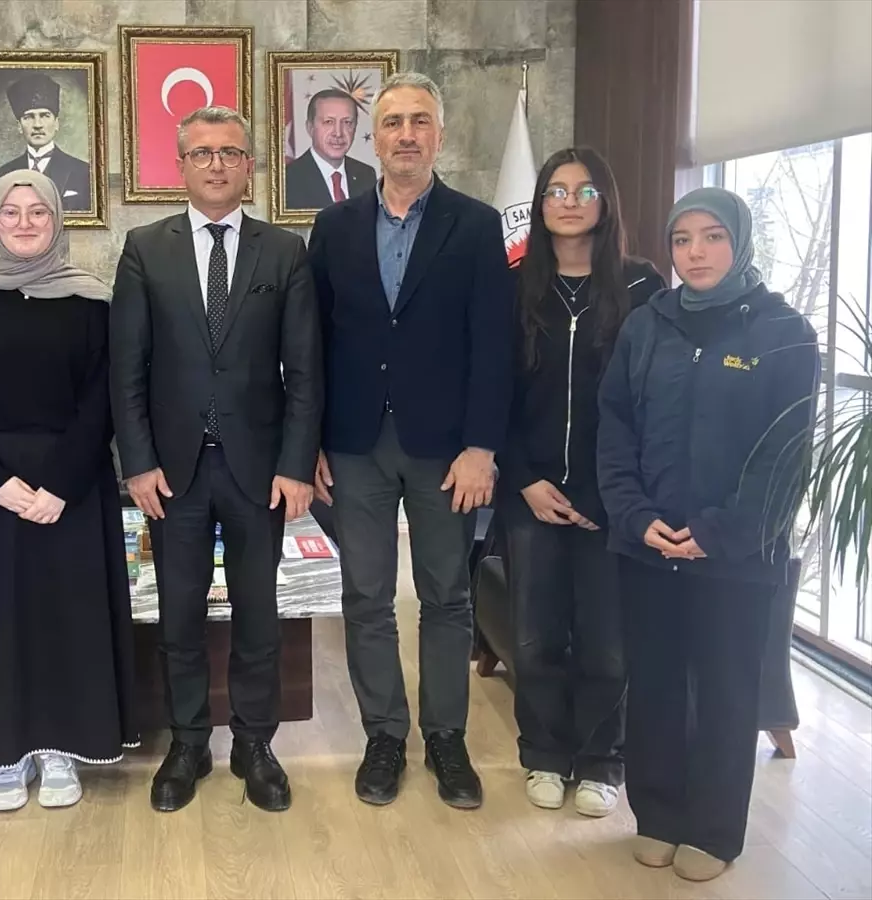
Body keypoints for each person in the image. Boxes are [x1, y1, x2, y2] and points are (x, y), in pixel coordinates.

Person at [598, 187, 819, 881]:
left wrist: (716, 532)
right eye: (683, 239)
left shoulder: (783, 332)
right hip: (649, 544)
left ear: (740, 242)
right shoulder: (646, 325)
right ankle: (658, 813)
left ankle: (714, 831)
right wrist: (635, 516)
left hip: (736, 557)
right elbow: (616, 430)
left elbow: (788, 456)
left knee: (725, 691)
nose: (696, 252)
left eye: (713, 236)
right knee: (656, 685)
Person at [309, 72, 513, 810]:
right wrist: (313, 443)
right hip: (354, 443)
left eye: (419, 121)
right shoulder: (333, 227)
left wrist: (482, 447)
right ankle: (385, 737)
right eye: (391, 121)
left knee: (446, 597)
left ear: (439, 134)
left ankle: (447, 739)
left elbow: (494, 346)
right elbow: (313, 344)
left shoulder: (476, 223)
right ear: (373, 137)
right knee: (364, 596)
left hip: (444, 449)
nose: (405, 134)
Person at [111, 106, 322, 814]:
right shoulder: (146, 248)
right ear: (181, 165)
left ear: (250, 167)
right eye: (202, 153)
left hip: (260, 470)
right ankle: (188, 742)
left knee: (259, 616)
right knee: (179, 617)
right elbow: (127, 369)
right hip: (172, 472)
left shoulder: (285, 252)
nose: (216, 165)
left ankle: (255, 745)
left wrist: (296, 465)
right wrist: (136, 462)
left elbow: (307, 372)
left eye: (231, 152)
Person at [0, 171, 138, 812]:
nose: (24, 223)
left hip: (71, 486)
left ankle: (60, 748)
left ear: (58, 221)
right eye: (11, 212)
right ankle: (3, 754)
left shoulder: (91, 301)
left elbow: (104, 401)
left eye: (37, 213)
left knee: (64, 616)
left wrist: (59, 485)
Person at [499, 147, 665, 818]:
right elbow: (490, 397)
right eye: (556, 190)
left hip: (612, 498)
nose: (569, 201)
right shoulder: (512, 286)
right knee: (536, 637)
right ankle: (543, 753)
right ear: (539, 207)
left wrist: (614, 493)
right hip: (530, 493)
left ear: (606, 203)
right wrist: (526, 480)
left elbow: (655, 404)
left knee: (606, 639)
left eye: (584, 189)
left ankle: (601, 761)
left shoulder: (646, 288)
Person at [0, 72, 92, 212]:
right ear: (19, 126)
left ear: (56, 123)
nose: (38, 124)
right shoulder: (5, 173)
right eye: (29, 117)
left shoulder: (82, 171)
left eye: (45, 116)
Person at [284, 88, 377, 210]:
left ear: (355, 127)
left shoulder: (366, 175)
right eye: (328, 122)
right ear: (310, 127)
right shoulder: (289, 179)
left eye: (347, 122)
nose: (338, 133)